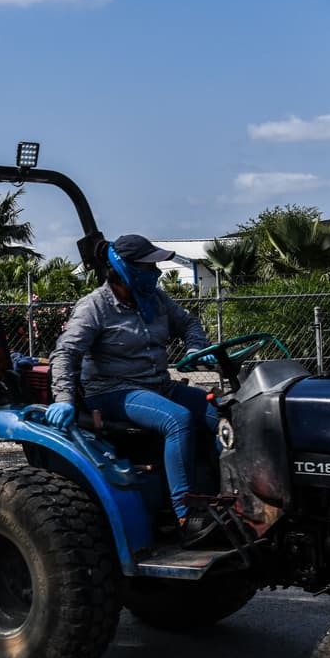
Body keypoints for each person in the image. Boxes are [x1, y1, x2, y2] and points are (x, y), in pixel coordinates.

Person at [47, 234, 221, 547]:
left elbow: (189, 323)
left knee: (223, 412)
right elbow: (65, 354)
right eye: (149, 265)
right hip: (113, 390)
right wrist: (64, 399)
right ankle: (187, 517)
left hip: (158, 385)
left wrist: (197, 347)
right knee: (177, 420)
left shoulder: (155, 298)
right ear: (126, 269)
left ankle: (228, 500)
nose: (156, 271)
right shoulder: (94, 307)